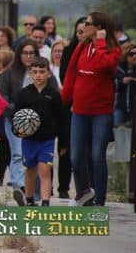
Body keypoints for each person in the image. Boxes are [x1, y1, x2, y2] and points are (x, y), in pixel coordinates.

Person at [60, 12, 121, 207]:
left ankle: (99, 199)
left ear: (99, 28)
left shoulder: (112, 49)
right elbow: (71, 76)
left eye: (88, 24)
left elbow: (107, 66)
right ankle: (84, 192)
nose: (84, 27)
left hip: (101, 112)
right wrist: (61, 102)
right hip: (79, 110)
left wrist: (101, 43)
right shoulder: (81, 47)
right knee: (76, 156)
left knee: (96, 155)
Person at [0, 39, 47, 206]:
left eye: (31, 53)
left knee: (35, 158)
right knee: (18, 154)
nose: (28, 56)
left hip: (39, 122)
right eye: (25, 53)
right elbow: (1, 98)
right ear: (19, 55)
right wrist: (17, 110)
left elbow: (51, 94)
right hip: (15, 120)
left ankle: (35, 192)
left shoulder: (43, 73)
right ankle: (20, 187)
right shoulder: (9, 74)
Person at [13, 56, 66, 207]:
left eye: (41, 72)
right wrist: (19, 131)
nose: (38, 75)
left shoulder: (54, 95)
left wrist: (63, 142)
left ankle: (45, 201)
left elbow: (61, 120)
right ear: (30, 73)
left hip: (47, 140)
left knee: (45, 169)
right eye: (35, 72)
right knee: (30, 169)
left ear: (48, 73)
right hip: (29, 139)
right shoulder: (24, 94)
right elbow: (16, 117)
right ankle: (29, 200)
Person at [56, 17, 86, 199]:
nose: (81, 34)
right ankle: (63, 187)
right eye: (79, 31)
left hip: (87, 104)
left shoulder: (96, 51)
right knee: (65, 148)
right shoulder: (69, 50)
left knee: (84, 150)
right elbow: (64, 75)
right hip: (69, 105)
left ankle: (84, 188)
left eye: (84, 31)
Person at [0, 49, 15, 187]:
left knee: (5, 149)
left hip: (2, 117)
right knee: (5, 149)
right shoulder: (0, 76)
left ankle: (0, 176)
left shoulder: (5, 78)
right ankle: (4, 175)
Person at [114, 42, 136, 127]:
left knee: (135, 133)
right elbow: (112, 87)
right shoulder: (118, 69)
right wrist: (121, 82)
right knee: (117, 129)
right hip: (120, 107)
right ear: (125, 55)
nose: (135, 56)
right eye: (131, 54)